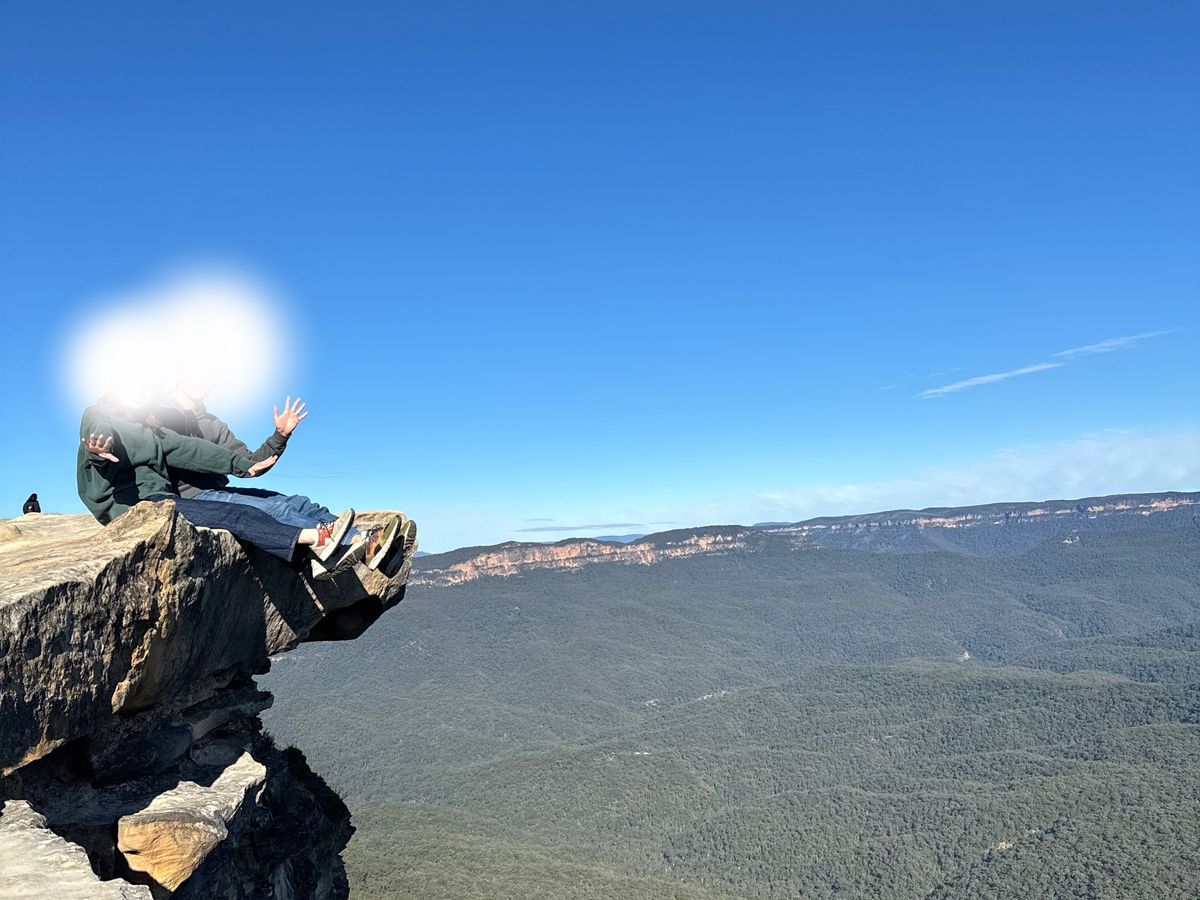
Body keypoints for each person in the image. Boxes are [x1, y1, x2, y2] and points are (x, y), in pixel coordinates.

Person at [77, 392, 406, 575]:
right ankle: (322, 542)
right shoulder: (104, 415)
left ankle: (360, 546)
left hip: (170, 500)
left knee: (295, 502)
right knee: (247, 514)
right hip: (142, 507)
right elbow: (97, 429)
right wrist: (98, 447)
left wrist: (250, 461)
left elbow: (197, 451)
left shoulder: (158, 432)